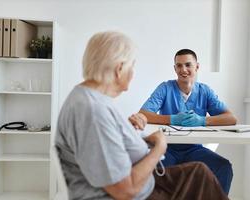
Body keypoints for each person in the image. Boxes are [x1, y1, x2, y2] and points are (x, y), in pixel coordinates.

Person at [55, 32, 229, 200]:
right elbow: (125, 191)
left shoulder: (93, 99)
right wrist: (160, 146)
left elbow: (106, 141)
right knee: (201, 179)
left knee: (200, 172)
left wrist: (128, 131)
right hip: (138, 192)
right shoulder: (93, 111)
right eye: (132, 65)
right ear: (119, 69)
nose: (133, 72)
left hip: (146, 181)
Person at [139, 49, 237, 194]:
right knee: (152, 172)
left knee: (223, 167)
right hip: (167, 149)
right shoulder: (165, 88)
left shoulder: (205, 91)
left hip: (194, 150)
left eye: (188, 65)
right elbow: (143, 113)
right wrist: (171, 119)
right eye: (179, 66)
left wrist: (202, 120)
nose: (183, 70)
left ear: (197, 66)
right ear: (174, 68)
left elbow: (231, 119)